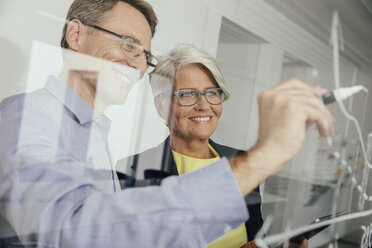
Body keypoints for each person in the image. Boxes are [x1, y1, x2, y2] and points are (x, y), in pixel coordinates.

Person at [0, 0, 335, 247]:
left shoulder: (92, 132)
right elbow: (74, 231)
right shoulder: (27, 115)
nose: (137, 64)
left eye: (144, 54)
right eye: (128, 43)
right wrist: (265, 156)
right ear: (76, 34)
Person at [119, 44, 263, 248]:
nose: (204, 105)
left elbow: (257, 235)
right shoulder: (132, 172)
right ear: (162, 106)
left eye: (212, 93)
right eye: (187, 94)